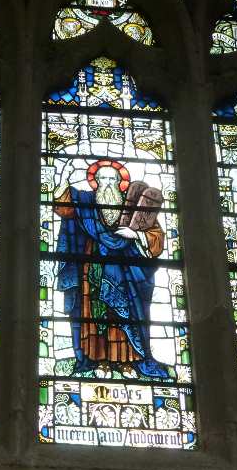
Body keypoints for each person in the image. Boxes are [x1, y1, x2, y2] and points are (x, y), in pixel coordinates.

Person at [52, 160, 170, 379]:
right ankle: (100, 360)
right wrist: (63, 179)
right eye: (102, 178)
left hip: (125, 271)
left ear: (119, 182)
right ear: (95, 182)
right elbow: (64, 208)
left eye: (111, 179)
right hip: (92, 267)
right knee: (94, 314)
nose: (106, 183)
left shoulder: (133, 206)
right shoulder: (85, 201)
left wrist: (135, 234)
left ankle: (126, 361)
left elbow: (156, 235)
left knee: (123, 315)